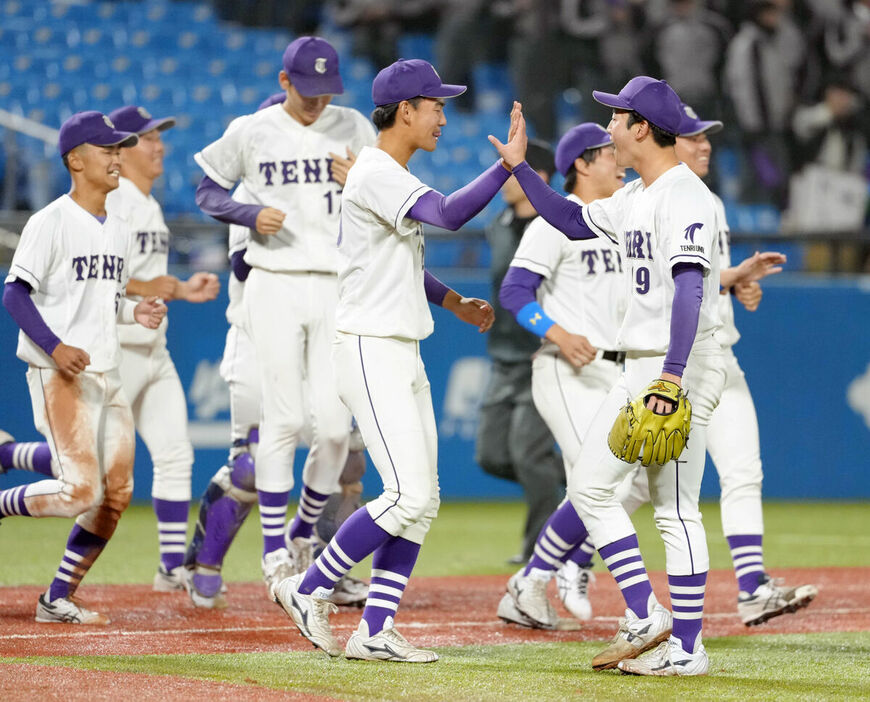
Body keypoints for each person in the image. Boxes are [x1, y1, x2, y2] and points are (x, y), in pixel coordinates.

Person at [273, 58, 518, 663]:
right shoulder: (377, 169)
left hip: (398, 346)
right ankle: (307, 589)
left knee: (423, 496)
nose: (442, 115)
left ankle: (375, 628)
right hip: (369, 347)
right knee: (407, 494)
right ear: (405, 110)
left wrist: (452, 299)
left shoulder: (384, 171)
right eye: (435, 104)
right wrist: (504, 168)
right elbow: (449, 214)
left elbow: (396, 259)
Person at [491, 76, 726, 676]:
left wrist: (672, 377)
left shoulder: (684, 195)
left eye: (618, 119)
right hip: (639, 366)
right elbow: (569, 218)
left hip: (677, 366)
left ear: (642, 127)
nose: (611, 129)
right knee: (592, 488)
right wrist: (520, 170)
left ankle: (688, 648)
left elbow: (691, 288)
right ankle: (646, 613)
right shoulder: (636, 196)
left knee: (675, 509)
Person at [193, 36, 377, 597]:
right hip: (273, 283)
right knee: (284, 422)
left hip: (333, 285)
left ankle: (303, 529)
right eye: (307, 89)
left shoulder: (353, 127)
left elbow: (387, 196)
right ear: (284, 81)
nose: (318, 101)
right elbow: (206, 190)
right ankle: (273, 550)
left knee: (334, 428)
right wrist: (248, 212)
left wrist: (360, 183)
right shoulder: (253, 130)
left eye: (327, 90)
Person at [0, 111, 166, 624]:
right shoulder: (48, 221)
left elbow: (102, 299)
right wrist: (53, 347)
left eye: (119, 148)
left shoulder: (117, 227)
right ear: (76, 159)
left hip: (107, 373)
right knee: (80, 491)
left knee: (115, 495)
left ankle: (57, 597)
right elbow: (14, 293)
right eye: (106, 149)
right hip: (60, 374)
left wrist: (132, 310)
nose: (117, 156)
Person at [674, 103, 818, 625]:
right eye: (693, 136)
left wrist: (736, 281)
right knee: (631, 486)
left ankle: (753, 586)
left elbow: (704, 277)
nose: (705, 144)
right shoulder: (655, 202)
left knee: (742, 472)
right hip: (675, 365)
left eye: (707, 135)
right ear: (669, 142)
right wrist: (734, 275)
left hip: (721, 358)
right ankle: (552, 564)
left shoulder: (709, 200)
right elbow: (676, 281)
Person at [495, 122, 632, 628]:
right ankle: (568, 567)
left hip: (618, 372)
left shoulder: (621, 220)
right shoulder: (552, 224)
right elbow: (514, 293)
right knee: (597, 482)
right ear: (582, 163)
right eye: (608, 153)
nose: (619, 160)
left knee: (610, 485)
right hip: (565, 368)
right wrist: (554, 332)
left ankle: (537, 577)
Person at [104, 105, 221, 591]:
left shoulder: (148, 204)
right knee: (90, 474)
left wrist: (179, 288)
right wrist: (167, 285)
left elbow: (149, 280)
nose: (158, 146)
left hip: (154, 349)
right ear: (120, 152)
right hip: (116, 350)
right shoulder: (115, 201)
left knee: (175, 455)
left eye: (158, 137)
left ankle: (171, 567)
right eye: (146, 139)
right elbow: (105, 274)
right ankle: (14, 464)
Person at [476, 139, 565, 566]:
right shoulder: (498, 223)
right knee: (491, 456)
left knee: (529, 455)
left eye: (513, 171)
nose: (503, 179)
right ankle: (582, 482)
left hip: (541, 355)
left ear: (539, 177)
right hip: (504, 355)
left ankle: (540, 553)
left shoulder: (559, 227)